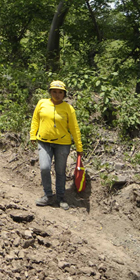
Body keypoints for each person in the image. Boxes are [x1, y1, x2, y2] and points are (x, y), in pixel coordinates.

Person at [29, 80, 83, 210]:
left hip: (62, 144)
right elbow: (35, 119)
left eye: (60, 92)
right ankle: (48, 195)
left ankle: (60, 197)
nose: (57, 94)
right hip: (43, 142)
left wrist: (79, 146)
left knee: (60, 171)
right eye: (54, 91)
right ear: (50, 92)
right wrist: (32, 134)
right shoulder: (42, 103)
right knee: (44, 168)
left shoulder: (68, 109)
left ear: (64, 94)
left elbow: (74, 128)